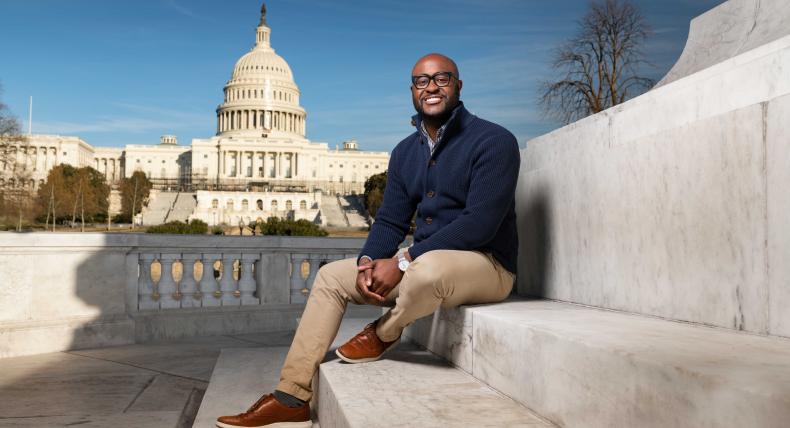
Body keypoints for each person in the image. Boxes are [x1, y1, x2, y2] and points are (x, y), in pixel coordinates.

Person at [216, 53, 520, 428]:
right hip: (425, 264)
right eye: (422, 81)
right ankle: (291, 394)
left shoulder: (494, 141)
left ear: (458, 85)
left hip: (485, 264)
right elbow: (390, 221)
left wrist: (403, 262)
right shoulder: (405, 152)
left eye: (442, 78)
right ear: (413, 91)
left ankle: (384, 331)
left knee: (427, 269)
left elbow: (480, 224)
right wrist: (367, 262)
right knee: (331, 277)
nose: (431, 87)